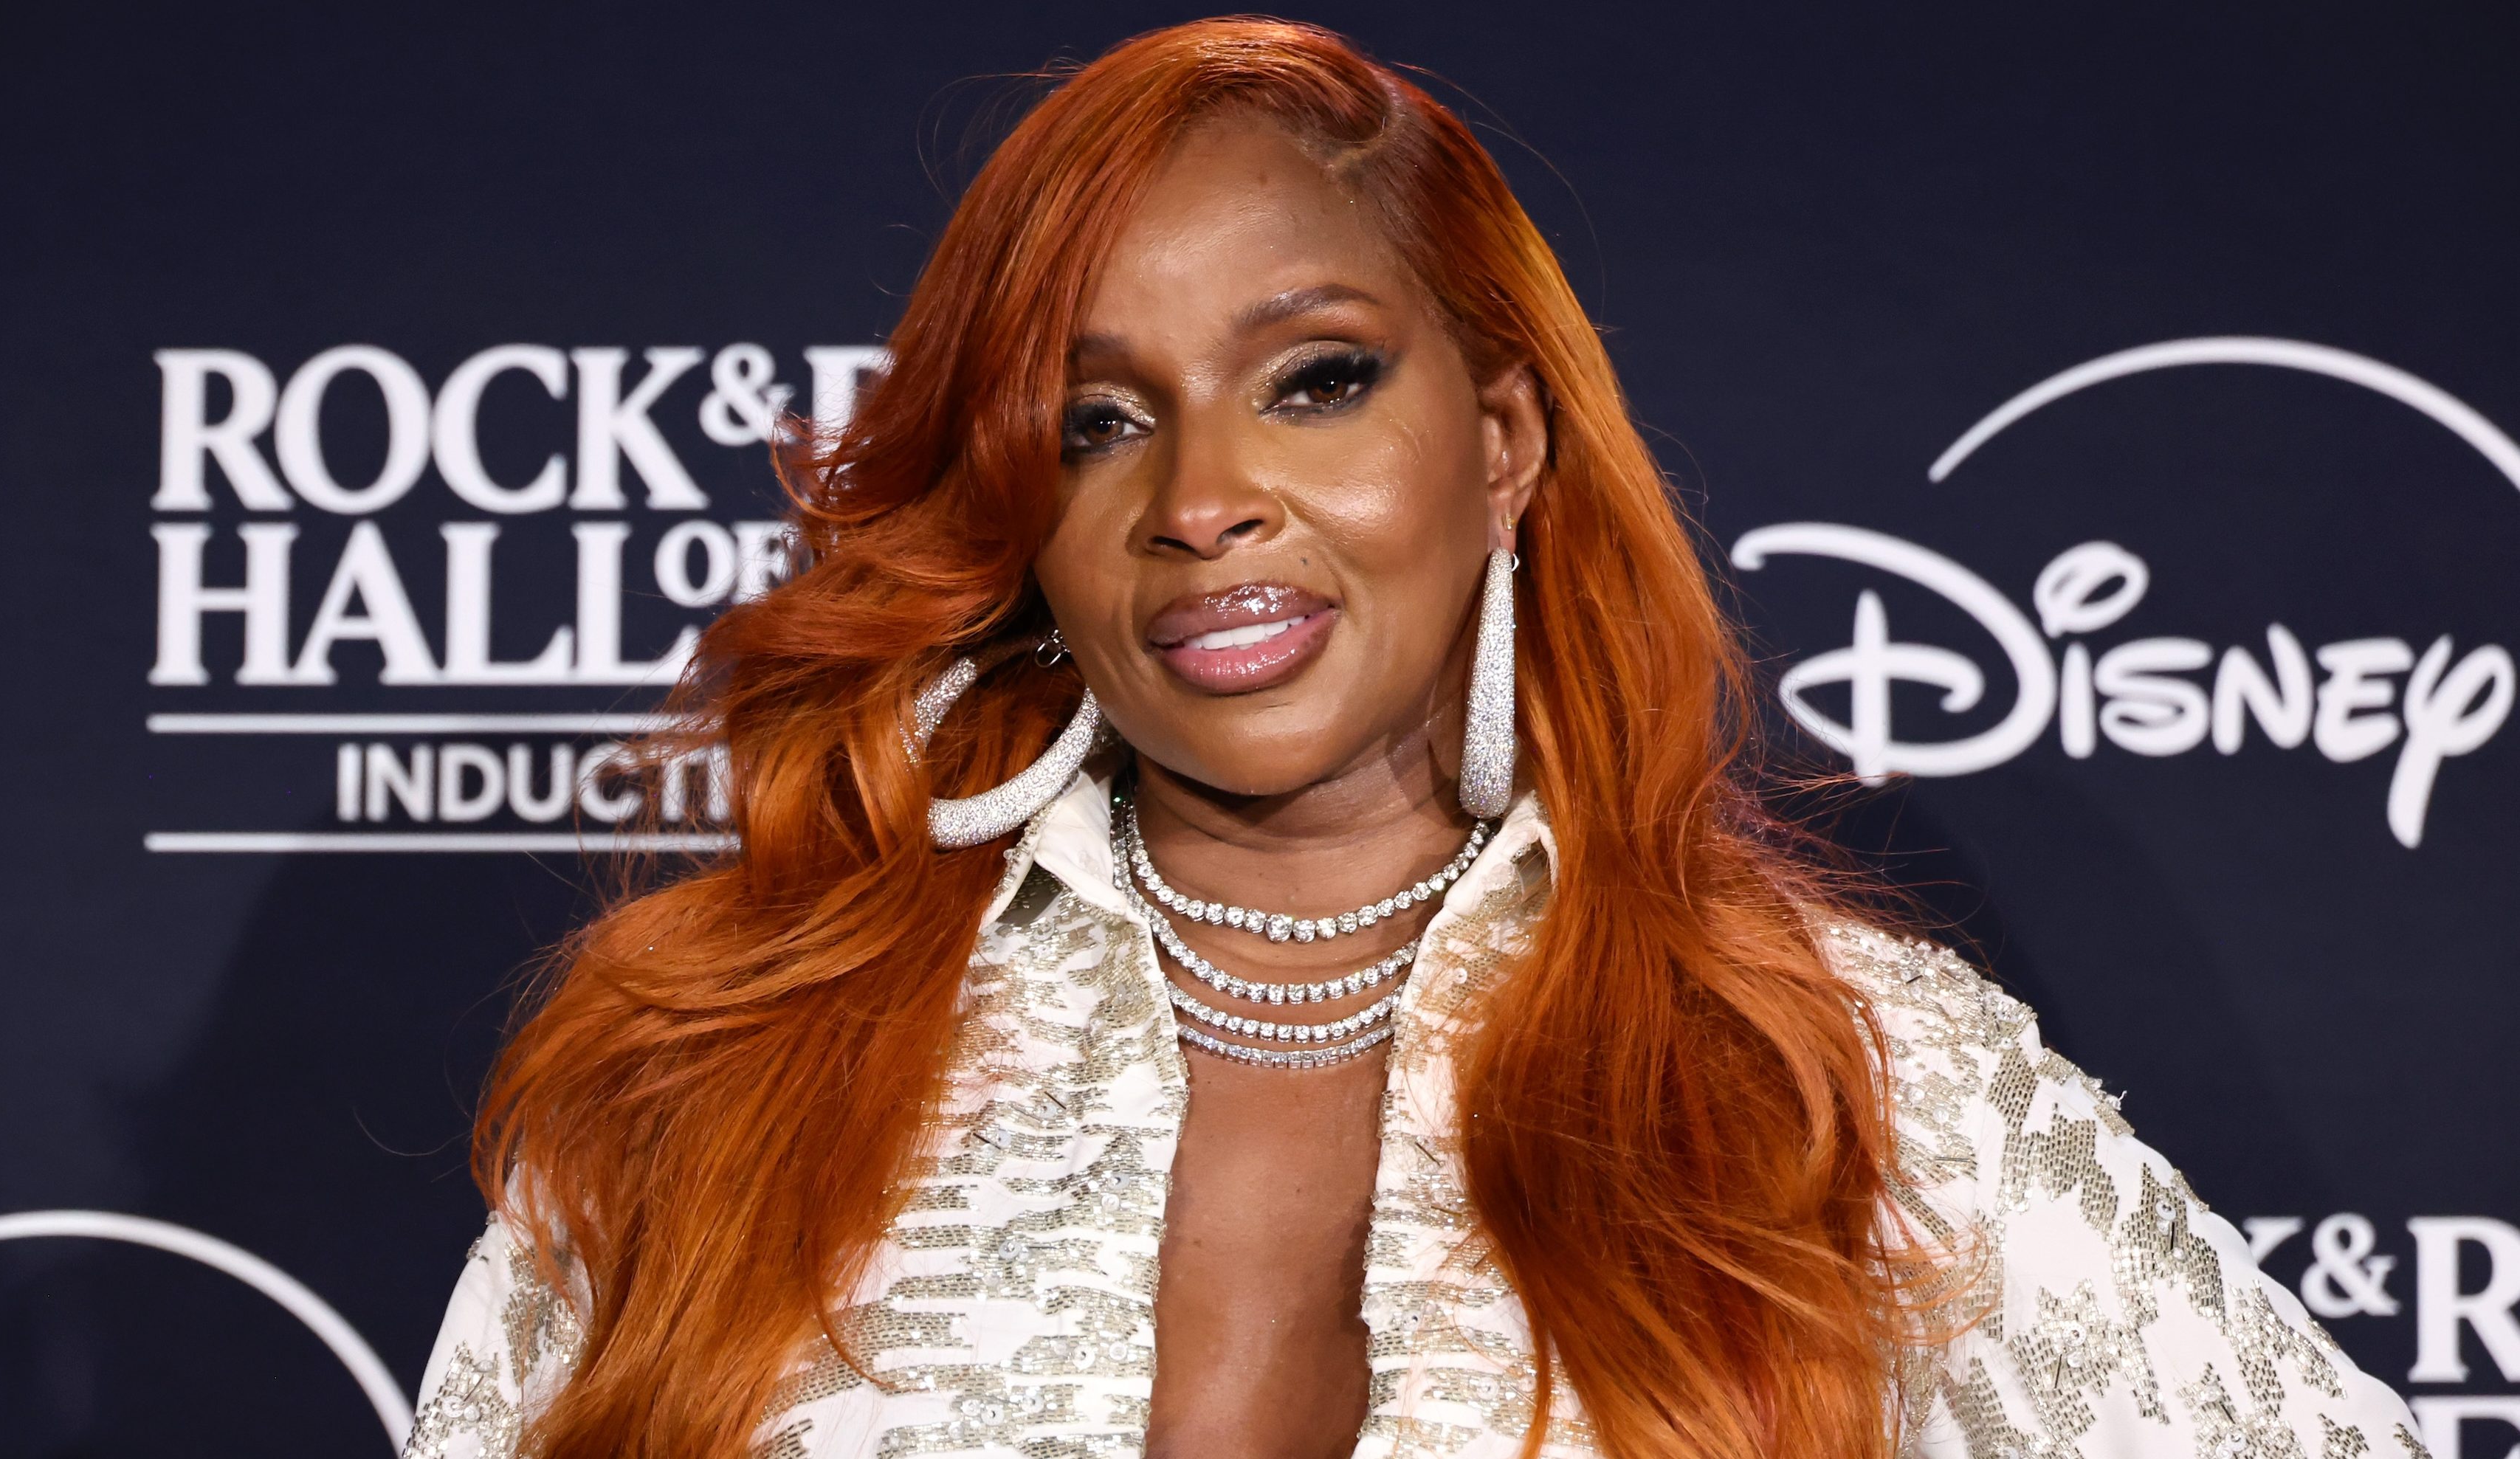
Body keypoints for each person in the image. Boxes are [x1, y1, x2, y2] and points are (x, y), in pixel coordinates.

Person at [402, 18, 2423, 1459]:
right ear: (1021, 511)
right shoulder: (713, 1081)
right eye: (1099, 419)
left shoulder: (1842, 1079)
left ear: (1499, 442)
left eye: (1312, 381)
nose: (1202, 493)